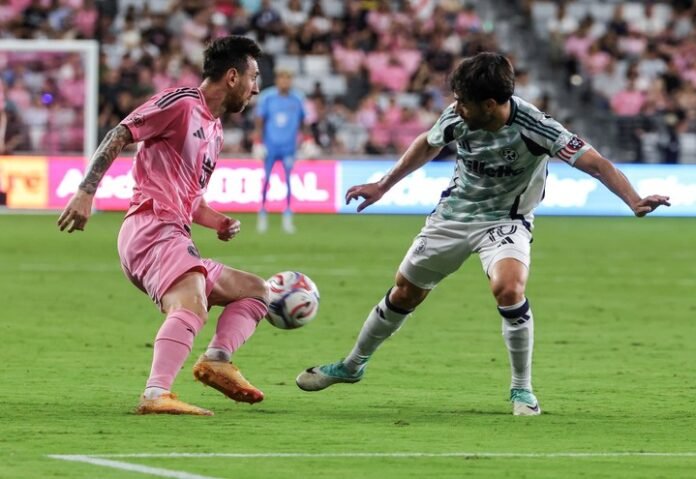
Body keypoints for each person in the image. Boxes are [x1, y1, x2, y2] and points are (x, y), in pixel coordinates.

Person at [296, 52, 670, 416]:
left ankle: (522, 388)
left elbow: (597, 164)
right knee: (406, 292)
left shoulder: (537, 127)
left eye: (464, 102)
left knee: (509, 288)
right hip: (454, 216)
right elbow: (428, 143)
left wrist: (633, 199)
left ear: (490, 105)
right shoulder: (458, 115)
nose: (457, 108)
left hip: (506, 220)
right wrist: (383, 185)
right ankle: (352, 365)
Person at [57, 36, 270, 416]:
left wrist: (218, 221)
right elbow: (119, 133)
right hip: (151, 227)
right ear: (232, 77)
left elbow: (192, 199)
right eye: (253, 78)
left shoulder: (215, 131)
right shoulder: (183, 103)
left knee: (255, 291)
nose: (256, 88)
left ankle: (218, 360)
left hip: (172, 231)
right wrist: (86, 191)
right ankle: (156, 393)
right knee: (191, 301)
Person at [254, 68, 306, 234]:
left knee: (289, 181)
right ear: (277, 80)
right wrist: (258, 142)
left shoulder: (298, 98)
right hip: (270, 146)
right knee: (266, 180)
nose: (285, 82)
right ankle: (262, 213)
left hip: (289, 147)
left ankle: (288, 215)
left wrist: (306, 141)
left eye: (288, 79)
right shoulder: (267, 97)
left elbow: (303, 121)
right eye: (282, 78)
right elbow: (260, 120)